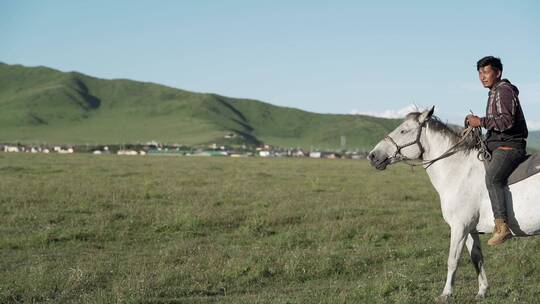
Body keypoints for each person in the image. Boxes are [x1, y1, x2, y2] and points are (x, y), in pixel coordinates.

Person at [467, 56, 528, 246]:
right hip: (499, 144)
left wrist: (481, 122)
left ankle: (502, 226)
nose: (482, 77)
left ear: (498, 72)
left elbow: (506, 121)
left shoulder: (503, 90)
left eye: (486, 72)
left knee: (493, 178)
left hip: (510, 146)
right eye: (479, 73)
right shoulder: (493, 92)